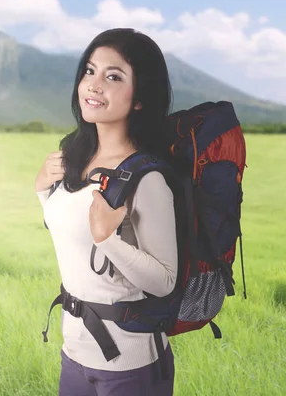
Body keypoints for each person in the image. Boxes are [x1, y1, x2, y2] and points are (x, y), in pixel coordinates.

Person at [34, 28, 178, 396]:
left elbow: (164, 281)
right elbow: (70, 238)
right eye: (89, 71)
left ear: (140, 98)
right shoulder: (74, 156)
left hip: (131, 366)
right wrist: (42, 191)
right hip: (75, 354)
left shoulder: (146, 178)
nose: (94, 85)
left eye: (113, 76)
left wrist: (108, 239)